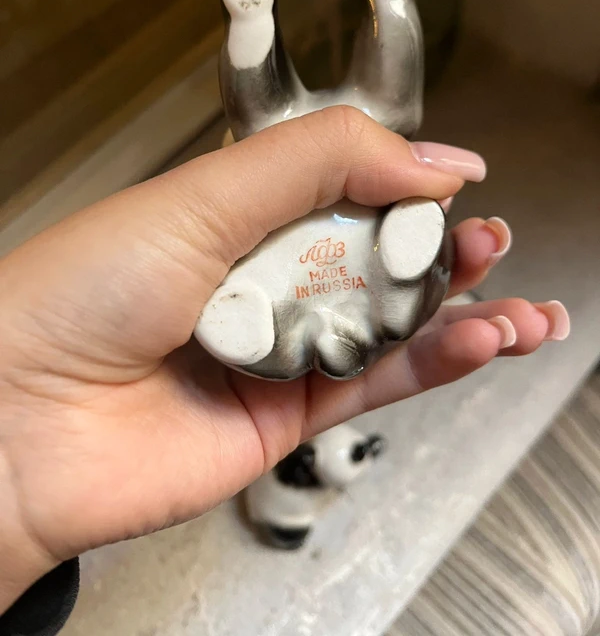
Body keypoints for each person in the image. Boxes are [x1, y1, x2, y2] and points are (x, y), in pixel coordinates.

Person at [0, 108, 569, 634]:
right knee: (341, 326)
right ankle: (283, 318)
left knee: (374, 318)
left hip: (334, 308)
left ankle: (386, 290)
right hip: (287, 316)